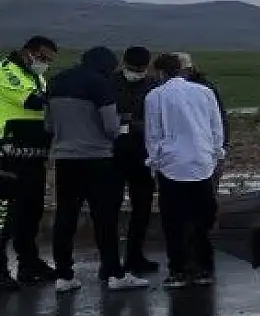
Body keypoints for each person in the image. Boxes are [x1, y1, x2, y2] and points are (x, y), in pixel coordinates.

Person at [44, 46, 149, 293]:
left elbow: (48, 125)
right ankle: (114, 273)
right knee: (105, 218)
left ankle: (64, 275)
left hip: (65, 158)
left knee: (65, 215)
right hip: (99, 159)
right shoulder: (101, 85)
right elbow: (111, 128)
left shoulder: (56, 81)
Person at [144, 52, 225, 290]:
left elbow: (153, 134)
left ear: (160, 73)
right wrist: (216, 153)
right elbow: (216, 126)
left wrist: (156, 161)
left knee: (174, 221)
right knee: (202, 219)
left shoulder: (155, 97)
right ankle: (204, 267)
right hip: (202, 162)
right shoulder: (205, 92)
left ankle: (178, 269)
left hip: (172, 167)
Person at [1, 35, 59, 287]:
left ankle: (29, 264)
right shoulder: (7, 72)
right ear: (29, 53)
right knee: (5, 217)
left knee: (31, 213)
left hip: (34, 156)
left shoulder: (37, 76)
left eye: (49, 61)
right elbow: (32, 101)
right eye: (43, 58)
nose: (45, 63)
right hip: (8, 156)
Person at [176, 53, 228, 278]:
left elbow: (217, 122)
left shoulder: (202, 91)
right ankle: (200, 257)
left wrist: (219, 152)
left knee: (196, 210)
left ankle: (198, 257)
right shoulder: (204, 88)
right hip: (202, 157)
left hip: (200, 158)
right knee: (200, 209)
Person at [113, 46, 162, 275]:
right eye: (133, 68)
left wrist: (133, 122)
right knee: (110, 208)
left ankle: (135, 256)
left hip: (143, 155)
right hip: (113, 155)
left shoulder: (153, 85)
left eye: (141, 69)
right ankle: (111, 261)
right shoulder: (110, 83)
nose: (137, 72)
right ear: (124, 64)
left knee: (141, 208)